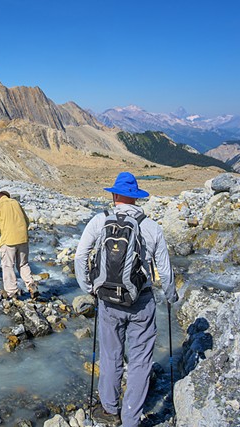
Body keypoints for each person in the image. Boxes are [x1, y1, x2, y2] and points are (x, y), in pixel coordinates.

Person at [74, 172, 178, 427]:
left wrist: (89, 287)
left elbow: (80, 256)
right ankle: (132, 418)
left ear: (115, 195)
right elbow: (164, 270)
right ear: (135, 197)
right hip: (141, 302)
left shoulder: (100, 221)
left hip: (108, 300)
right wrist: (171, 295)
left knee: (110, 354)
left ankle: (110, 408)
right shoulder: (152, 227)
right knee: (141, 359)